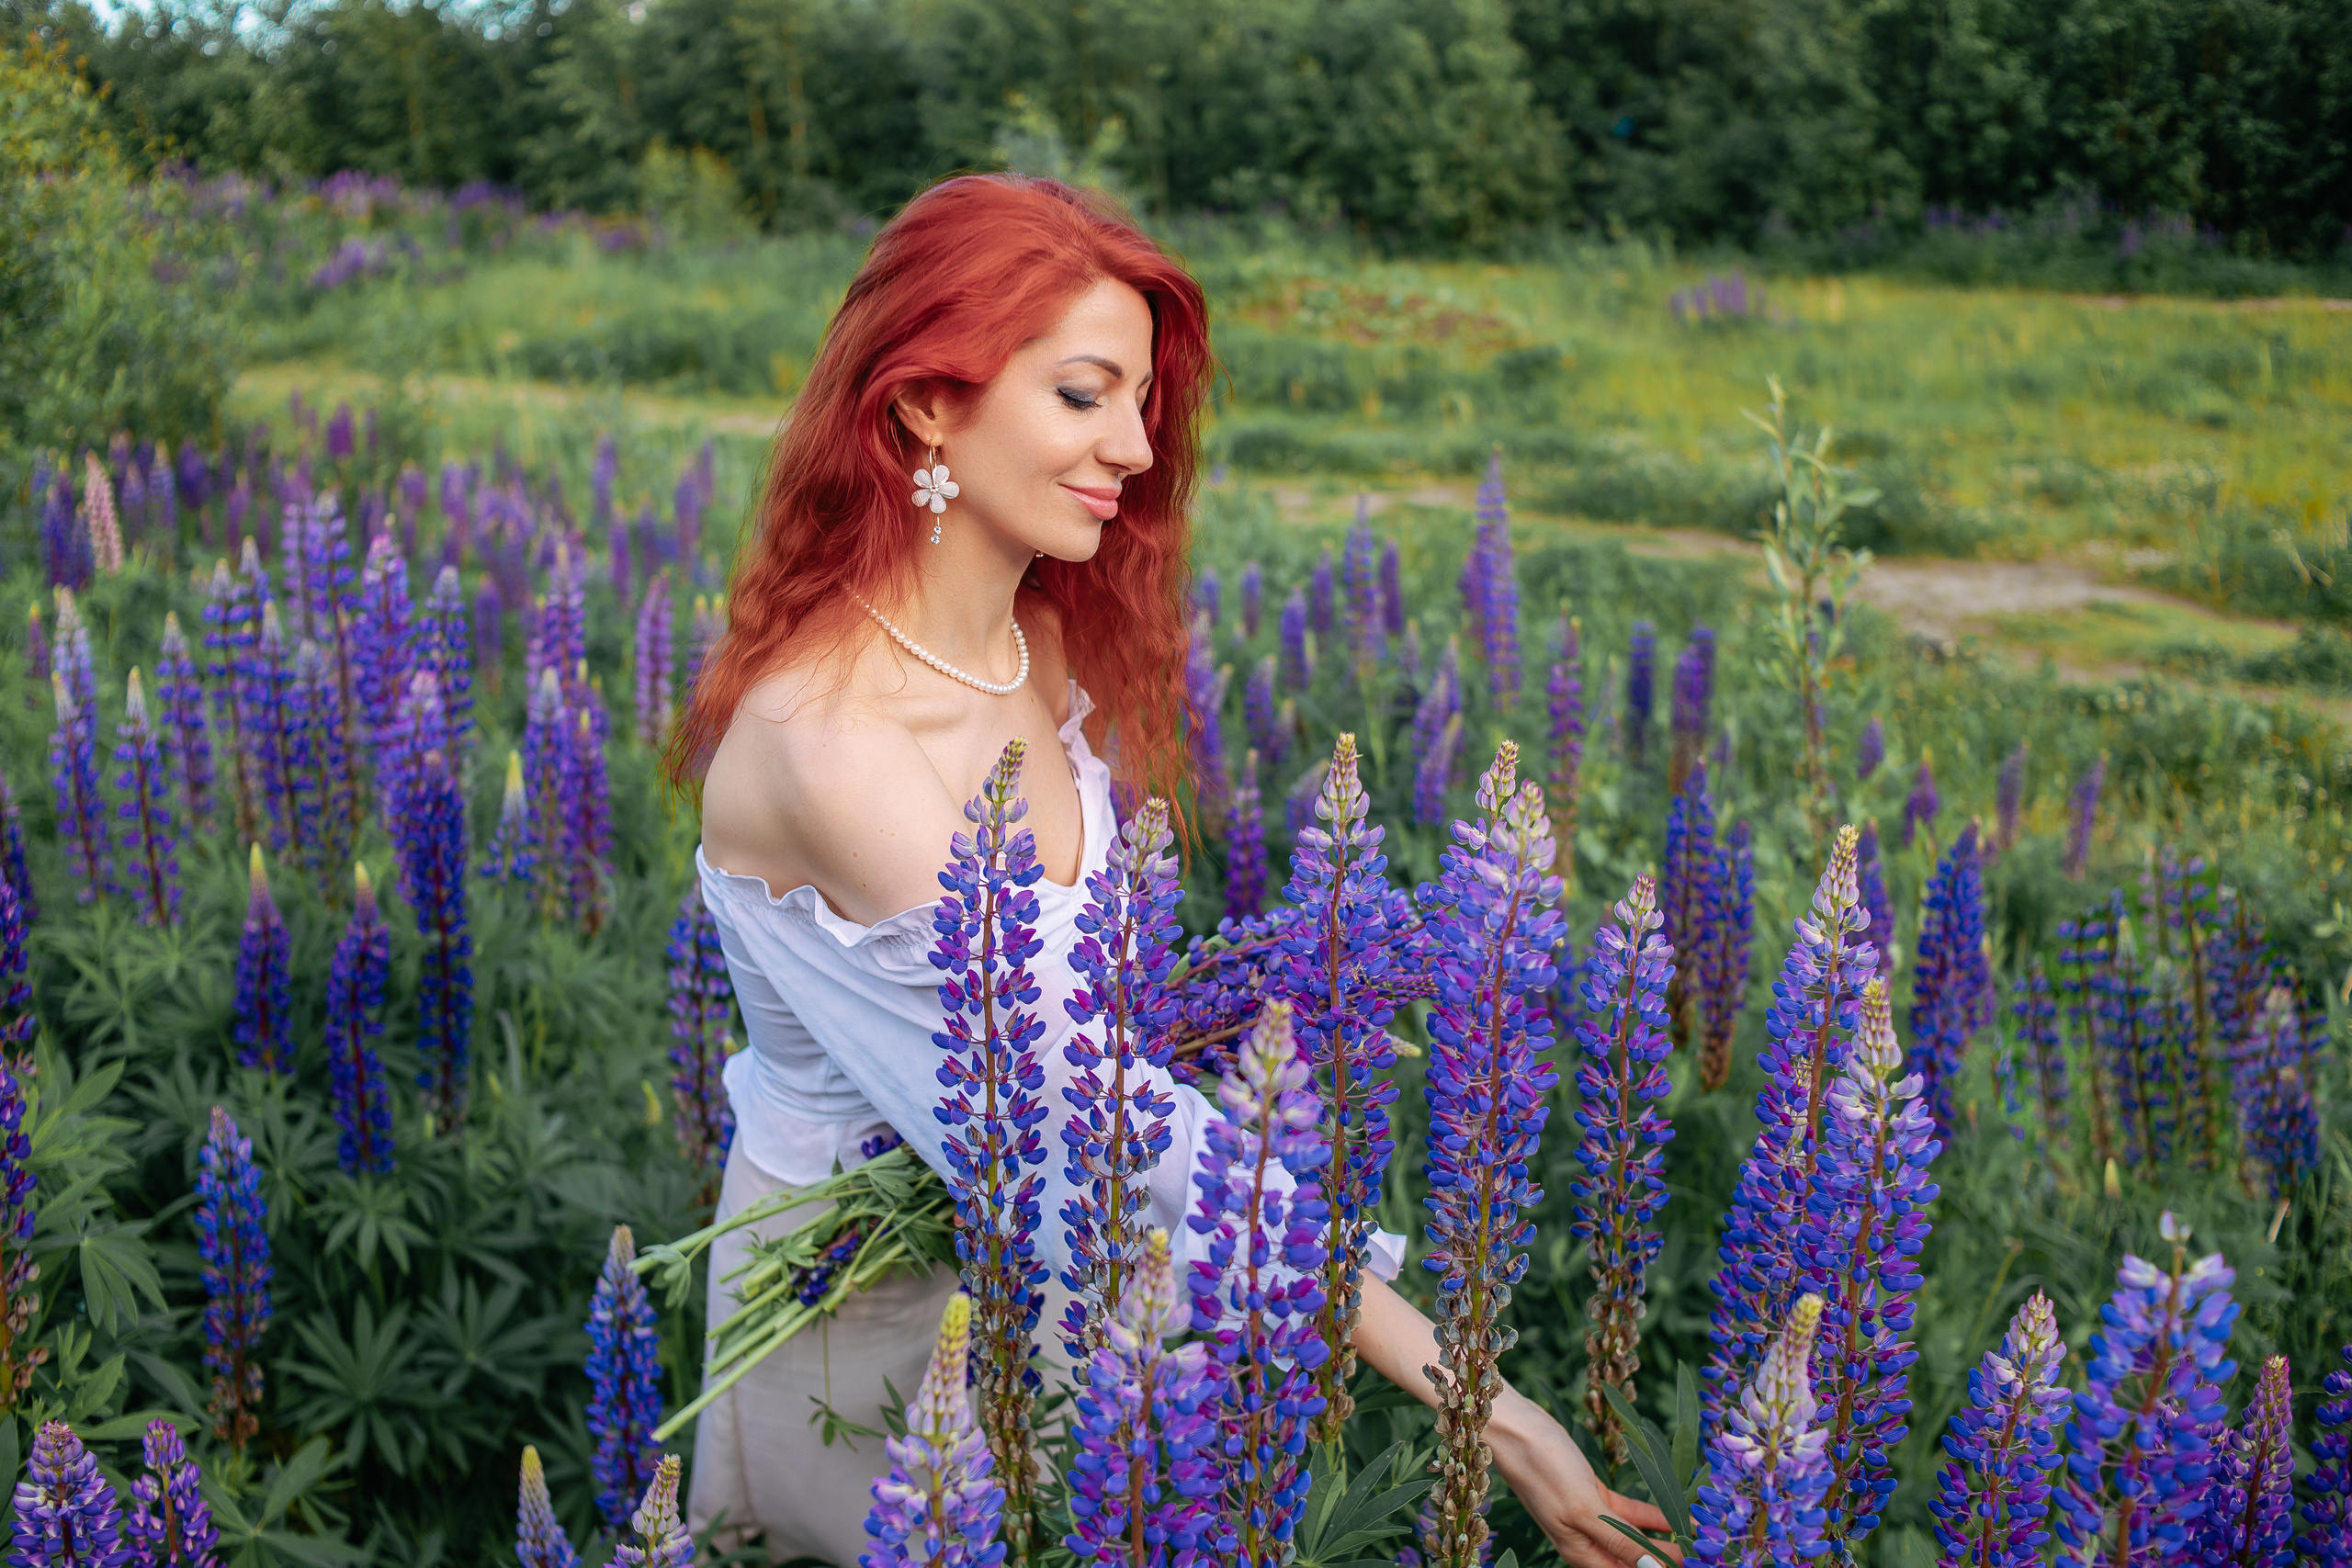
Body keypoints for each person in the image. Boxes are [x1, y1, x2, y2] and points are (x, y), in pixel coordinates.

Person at [667, 173, 1669, 1567]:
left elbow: (1096, 1041)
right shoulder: (828, 743)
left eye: (1140, 402)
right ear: (922, 408)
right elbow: (1085, 1109)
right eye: (1084, 395)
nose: (1135, 446)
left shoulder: (1040, 647)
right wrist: (1489, 1409)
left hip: (1072, 1282)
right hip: (859, 1328)